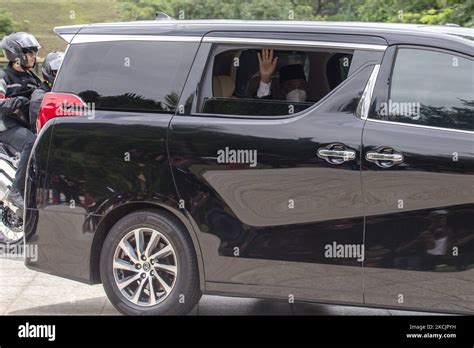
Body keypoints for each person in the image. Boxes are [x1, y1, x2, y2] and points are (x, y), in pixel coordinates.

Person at [0, 32, 41, 208]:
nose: (34, 56)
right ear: (16, 55)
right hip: (6, 127)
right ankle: (16, 190)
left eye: (34, 52)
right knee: (31, 143)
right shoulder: (4, 77)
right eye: (30, 53)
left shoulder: (32, 78)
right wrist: (17, 101)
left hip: (24, 125)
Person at [29, 51, 64, 131]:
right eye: (57, 72)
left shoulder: (64, 90)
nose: (60, 75)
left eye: (62, 71)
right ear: (48, 71)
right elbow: (37, 128)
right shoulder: (40, 96)